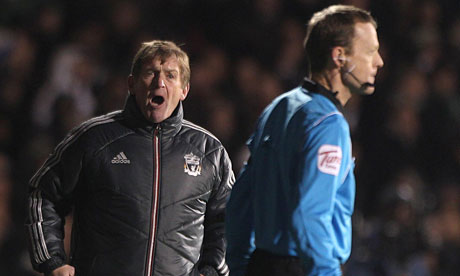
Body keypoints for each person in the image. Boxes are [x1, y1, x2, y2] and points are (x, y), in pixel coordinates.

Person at [25, 40, 234, 276]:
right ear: (131, 84)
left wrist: (213, 269)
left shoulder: (209, 152)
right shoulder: (93, 139)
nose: (160, 82)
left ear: (184, 89)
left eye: (170, 75)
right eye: (150, 73)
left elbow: (228, 219)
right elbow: (43, 195)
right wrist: (53, 262)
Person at [226, 5, 384, 276]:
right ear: (339, 57)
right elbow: (310, 215)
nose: (379, 61)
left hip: (260, 265)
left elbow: (241, 200)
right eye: (370, 51)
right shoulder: (328, 124)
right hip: (302, 267)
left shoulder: (278, 107)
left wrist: (240, 266)